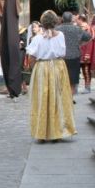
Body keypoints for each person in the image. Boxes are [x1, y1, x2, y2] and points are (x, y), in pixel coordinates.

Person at [26, 11, 77, 142]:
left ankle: (42, 133)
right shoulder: (60, 35)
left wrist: (34, 70)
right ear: (56, 22)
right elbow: (63, 53)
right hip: (58, 66)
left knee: (41, 100)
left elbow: (31, 56)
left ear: (42, 23)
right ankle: (57, 132)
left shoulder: (37, 38)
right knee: (58, 99)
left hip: (42, 67)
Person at [58, 12, 92, 99]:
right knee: (73, 80)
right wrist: (80, 44)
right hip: (74, 55)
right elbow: (89, 37)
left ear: (62, 19)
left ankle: (63, 98)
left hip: (61, 57)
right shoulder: (77, 29)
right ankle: (70, 98)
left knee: (61, 79)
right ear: (71, 19)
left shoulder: (57, 29)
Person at [77, 14, 95, 94]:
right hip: (82, 52)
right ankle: (85, 87)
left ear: (80, 19)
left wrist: (87, 53)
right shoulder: (86, 28)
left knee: (86, 70)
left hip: (85, 52)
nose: (76, 21)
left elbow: (88, 42)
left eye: (77, 19)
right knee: (84, 70)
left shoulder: (86, 28)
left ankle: (87, 87)